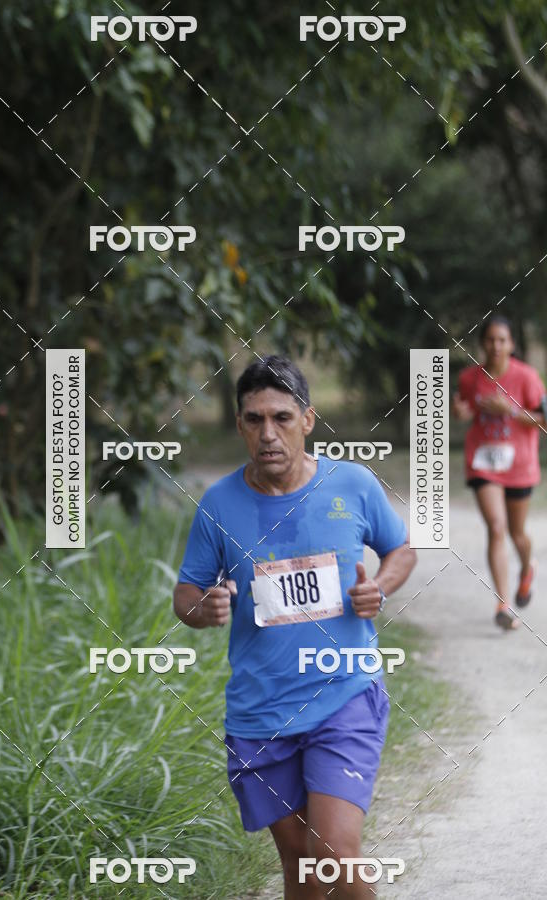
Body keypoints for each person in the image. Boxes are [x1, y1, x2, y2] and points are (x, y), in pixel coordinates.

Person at [173, 356, 416, 899]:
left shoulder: (352, 483)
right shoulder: (218, 505)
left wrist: (380, 587)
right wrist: (204, 608)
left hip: (343, 693)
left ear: (307, 420)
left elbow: (401, 548)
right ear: (240, 425)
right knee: (301, 865)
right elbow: (186, 594)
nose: (268, 433)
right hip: (260, 714)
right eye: (254, 419)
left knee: (332, 852)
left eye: (281, 418)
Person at [452, 315, 546, 630]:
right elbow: (463, 410)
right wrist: (458, 413)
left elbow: (544, 420)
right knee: (496, 526)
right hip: (483, 462)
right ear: (482, 343)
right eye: (490, 340)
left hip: (519, 465)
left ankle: (527, 568)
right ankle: (504, 605)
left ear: (511, 344)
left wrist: (511, 411)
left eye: (502, 340)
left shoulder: (527, 377)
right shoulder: (469, 378)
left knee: (517, 533)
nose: (496, 346)